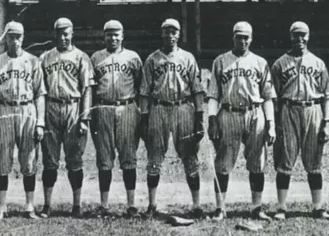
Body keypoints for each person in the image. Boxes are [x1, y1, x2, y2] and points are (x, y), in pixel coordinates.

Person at [207, 21, 276, 222]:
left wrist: (270, 123)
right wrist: (212, 119)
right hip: (228, 113)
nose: (243, 41)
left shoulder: (260, 62)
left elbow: (268, 96)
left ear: (251, 39)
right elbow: (213, 95)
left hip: (254, 113)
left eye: (246, 37)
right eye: (239, 37)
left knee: (257, 163)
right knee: (223, 163)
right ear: (233, 38)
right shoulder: (221, 61)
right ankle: (220, 208)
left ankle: (256, 207)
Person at [140, 19, 205, 219]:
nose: (170, 35)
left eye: (174, 32)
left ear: (179, 34)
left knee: (190, 157)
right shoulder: (152, 59)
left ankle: (196, 205)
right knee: (154, 157)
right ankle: (152, 204)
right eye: (167, 31)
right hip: (159, 108)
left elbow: (197, 90)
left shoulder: (187, 57)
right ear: (162, 34)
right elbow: (144, 92)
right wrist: (144, 117)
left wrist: (199, 115)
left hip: (183, 107)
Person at [270, 21, 329, 220]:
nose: (300, 39)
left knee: (314, 161)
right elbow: (274, 97)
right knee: (285, 160)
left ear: (308, 36)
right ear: (291, 36)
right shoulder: (280, 63)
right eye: (296, 35)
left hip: (313, 109)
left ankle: (318, 207)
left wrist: (327, 122)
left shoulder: (318, 63)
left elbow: (326, 95)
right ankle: (281, 207)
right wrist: (277, 122)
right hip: (289, 109)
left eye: (303, 35)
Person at [0, 21, 46, 221]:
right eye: (11, 37)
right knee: (2, 160)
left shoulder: (33, 61)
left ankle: (29, 206)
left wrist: (40, 121)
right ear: (6, 39)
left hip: (27, 108)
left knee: (29, 160)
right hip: (4, 108)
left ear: (23, 38)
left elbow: (40, 94)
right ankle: (2, 207)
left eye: (18, 36)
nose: (15, 41)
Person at [38, 17, 95, 219]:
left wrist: (85, 118)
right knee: (50, 161)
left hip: (73, 107)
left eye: (66, 33)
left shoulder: (81, 57)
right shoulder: (45, 57)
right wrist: (41, 119)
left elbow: (87, 89)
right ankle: (46, 205)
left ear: (72, 34)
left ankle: (77, 205)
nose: (63, 37)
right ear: (54, 34)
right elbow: (40, 91)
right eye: (59, 33)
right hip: (52, 106)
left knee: (75, 160)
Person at [90, 20, 143, 218]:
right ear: (104, 36)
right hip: (103, 107)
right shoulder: (96, 57)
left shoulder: (133, 57)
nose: (112, 38)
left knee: (128, 157)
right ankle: (103, 205)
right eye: (109, 34)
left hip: (126, 107)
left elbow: (139, 83)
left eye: (116, 34)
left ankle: (131, 205)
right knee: (104, 158)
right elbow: (92, 88)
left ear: (122, 36)